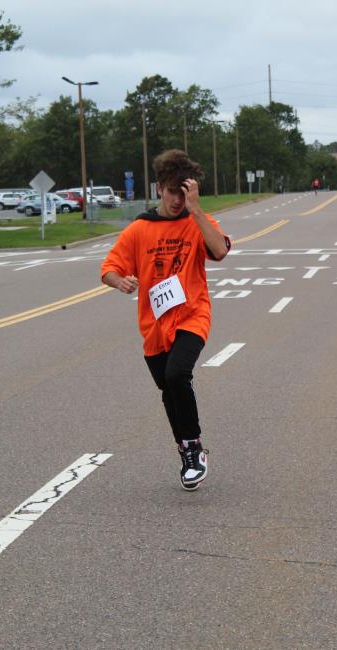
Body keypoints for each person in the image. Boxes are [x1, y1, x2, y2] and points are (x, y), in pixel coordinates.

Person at [100, 149, 230, 490]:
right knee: (168, 389)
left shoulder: (196, 221)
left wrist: (196, 210)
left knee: (177, 374)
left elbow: (219, 250)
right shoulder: (140, 230)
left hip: (192, 315)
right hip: (155, 326)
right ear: (159, 188)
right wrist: (119, 281)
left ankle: (194, 448)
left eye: (184, 193)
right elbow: (109, 268)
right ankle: (185, 449)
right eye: (173, 192)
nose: (177, 200)